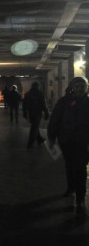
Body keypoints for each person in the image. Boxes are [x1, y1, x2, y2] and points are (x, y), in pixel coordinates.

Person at [47, 76, 89, 216]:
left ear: (86, 88)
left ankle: (80, 198)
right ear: (72, 87)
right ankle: (71, 187)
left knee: (81, 168)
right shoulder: (63, 102)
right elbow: (55, 120)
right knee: (70, 165)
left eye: (82, 86)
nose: (80, 89)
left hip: (84, 142)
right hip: (67, 140)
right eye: (77, 86)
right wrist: (51, 137)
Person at [22, 82, 49, 148]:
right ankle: (30, 143)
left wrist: (24, 112)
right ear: (37, 86)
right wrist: (46, 113)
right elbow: (43, 104)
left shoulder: (28, 94)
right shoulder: (39, 94)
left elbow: (24, 104)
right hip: (37, 113)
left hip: (31, 113)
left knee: (35, 126)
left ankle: (39, 139)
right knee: (34, 127)